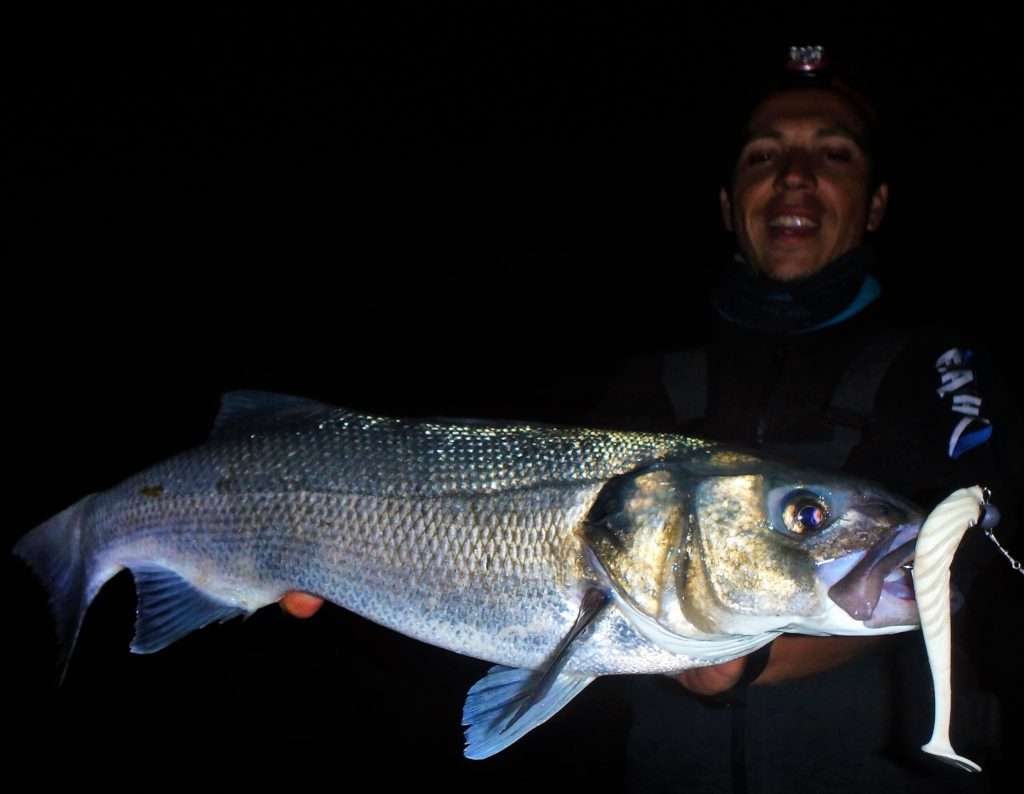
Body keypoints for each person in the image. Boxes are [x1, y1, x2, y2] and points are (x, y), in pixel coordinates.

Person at [277, 46, 1018, 792]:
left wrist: (746, 661)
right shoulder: (653, 376)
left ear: (878, 202)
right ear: (730, 203)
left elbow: (961, 557)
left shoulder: (940, 366)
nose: (795, 176)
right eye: (765, 155)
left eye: (833, 152)